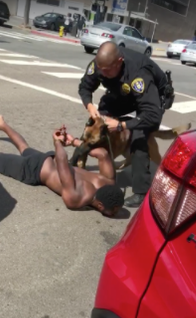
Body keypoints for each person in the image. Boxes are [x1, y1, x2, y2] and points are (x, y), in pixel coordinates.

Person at [78, 41, 174, 208]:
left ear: (119, 61)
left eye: (107, 71)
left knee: (139, 134)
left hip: (151, 99)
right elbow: (85, 87)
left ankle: (141, 191)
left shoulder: (139, 74)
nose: (103, 73)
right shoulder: (101, 64)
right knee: (103, 113)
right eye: (101, 70)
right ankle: (97, 160)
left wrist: (122, 125)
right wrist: (89, 105)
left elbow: (152, 116)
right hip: (125, 93)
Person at [0, 115, 124, 216]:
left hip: (48, 160)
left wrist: (74, 142)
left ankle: (1, 124)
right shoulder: (77, 198)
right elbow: (62, 164)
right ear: (100, 206)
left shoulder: (109, 180)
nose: (115, 213)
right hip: (34, 170)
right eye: (114, 211)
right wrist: (57, 142)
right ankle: (1, 125)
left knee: (24, 148)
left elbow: (102, 154)